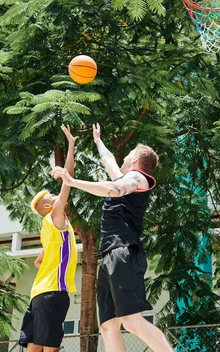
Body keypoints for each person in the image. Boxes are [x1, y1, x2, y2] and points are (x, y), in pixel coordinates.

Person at [51, 123, 173, 352]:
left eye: (128, 154)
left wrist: (73, 182)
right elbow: (109, 163)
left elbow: (114, 188)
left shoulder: (137, 178)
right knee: (107, 326)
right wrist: (97, 141)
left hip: (123, 251)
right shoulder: (124, 177)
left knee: (132, 321)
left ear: (136, 157)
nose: (124, 157)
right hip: (110, 255)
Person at [19, 124, 79, 352]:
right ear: (47, 205)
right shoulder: (54, 217)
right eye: (53, 196)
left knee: (34, 347)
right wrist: (71, 146)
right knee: (51, 347)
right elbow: (68, 182)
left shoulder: (50, 231)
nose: (57, 196)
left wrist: (72, 145)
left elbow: (38, 262)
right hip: (53, 293)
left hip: (38, 294)